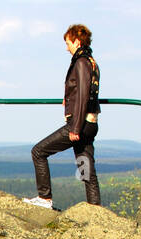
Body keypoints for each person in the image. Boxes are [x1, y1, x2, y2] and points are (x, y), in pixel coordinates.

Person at [24, 24, 101, 210]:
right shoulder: (91, 61)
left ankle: (44, 198)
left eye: (68, 43)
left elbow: (83, 94)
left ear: (76, 41)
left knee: (38, 152)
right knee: (86, 169)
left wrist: (75, 128)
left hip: (79, 124)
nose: (67, 47)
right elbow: (84, 91)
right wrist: (68, 98)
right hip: (90, 122)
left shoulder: (81, 62)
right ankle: (96, 210)